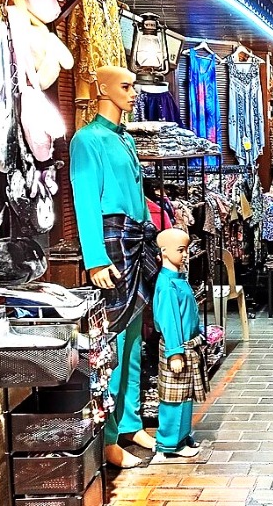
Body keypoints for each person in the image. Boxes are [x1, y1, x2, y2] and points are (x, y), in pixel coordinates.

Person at [70, 66, 159, 468]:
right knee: (113, 344)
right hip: (111, 240)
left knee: (137, 336)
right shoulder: (87, 141)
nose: (134, 92)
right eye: (125, 86)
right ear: (103, 89)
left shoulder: (124, 138)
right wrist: (95, 258)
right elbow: (86, 199)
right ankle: (106, 437)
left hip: (136, 239)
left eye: (133, 85)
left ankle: (130, 420)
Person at [153, 228, 208, 458]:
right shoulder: (166, 285)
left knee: (185, 396)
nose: (185, 255)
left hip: (188, 345)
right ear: (164, 251)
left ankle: (182, 435)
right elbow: (169, 321)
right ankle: (169, 443)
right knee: (174, 398)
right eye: (181, 250)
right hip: (179, 348)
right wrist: (175, 353)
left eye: (186, 250)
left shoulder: (178, 279)